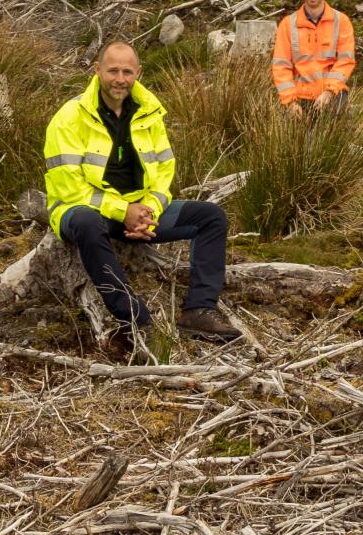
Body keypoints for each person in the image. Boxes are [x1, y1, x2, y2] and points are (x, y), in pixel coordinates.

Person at [44, 42, 240, 356]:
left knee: (211, 216)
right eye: (113, 71)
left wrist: (148, 210)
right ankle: (135, 319)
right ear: (98, 70)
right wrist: (124, 212)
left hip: (139, 210)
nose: (119, 79)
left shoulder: (149, 113)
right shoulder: (69, 117)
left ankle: (199, 310)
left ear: (138, 73)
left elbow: (164, 174)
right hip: (85, 211)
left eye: (126, 71)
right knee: (85, 221)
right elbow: (69, 188)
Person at [270, 0, 355, 113]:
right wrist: (290, 101)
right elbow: (281, 66)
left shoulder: (341, 21)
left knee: (331, 132)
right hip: (299, 97)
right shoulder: (288, 24)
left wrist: (329, 92)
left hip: (332, 94)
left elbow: (345, 61)